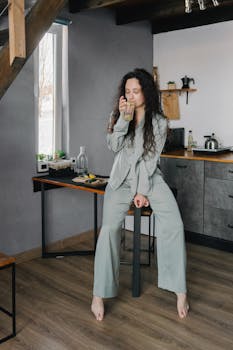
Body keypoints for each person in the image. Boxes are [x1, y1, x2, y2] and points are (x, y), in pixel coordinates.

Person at [91, 68, 189, 321]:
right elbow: (113, 146)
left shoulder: (158, 121)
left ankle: (179, 290)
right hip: (121, 180)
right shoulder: (119, 114)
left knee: (175, 225)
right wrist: (123, 119)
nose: (132, 95)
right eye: (127, 91)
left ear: (146, 91)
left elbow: (149, 159)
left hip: (150, 179)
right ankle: (98, 294)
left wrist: (142, 192)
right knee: (109, 229)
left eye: (136, 91)